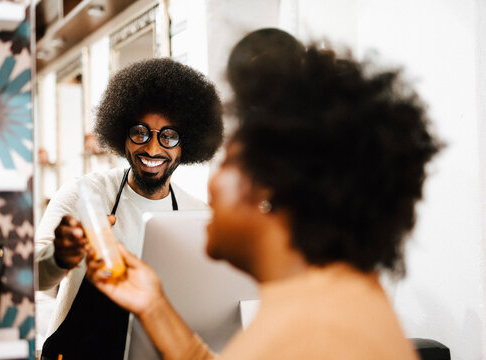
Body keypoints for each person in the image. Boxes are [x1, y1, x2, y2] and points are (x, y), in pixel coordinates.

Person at [86, 28, 441, 359]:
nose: (211, 183)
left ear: (269, 192)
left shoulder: (310, 331)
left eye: (227, 163)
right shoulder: (337, 297)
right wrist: (153, 305)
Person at [34, 58, 223, 360]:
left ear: (185, 145)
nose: (152, 149)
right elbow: (31, 276)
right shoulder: (85, 196)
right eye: (140, 132)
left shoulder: (197, 214)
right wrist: (59, 256)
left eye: (168, 136)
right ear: (122, 135)